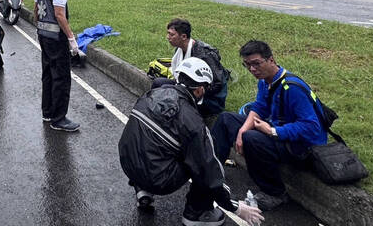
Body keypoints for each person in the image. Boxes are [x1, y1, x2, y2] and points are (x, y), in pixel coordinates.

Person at [119, 58, 263, 226]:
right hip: (158, 179)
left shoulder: (152, 94)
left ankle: (143, 190)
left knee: (152, 142)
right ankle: (196, 214)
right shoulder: (193, 122)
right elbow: (210, 171)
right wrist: (235, 207)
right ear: (200, 90)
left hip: (127, 164)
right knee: (201, 159)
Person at [211, 40, 328, 211]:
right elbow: (259, 106)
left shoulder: (292, 88)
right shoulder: (265, 81)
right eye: (247, 65)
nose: (252, 69)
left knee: (252, 138)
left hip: (303, 147)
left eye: (256, 64)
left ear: (271, 60)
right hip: (280, 131)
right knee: (226, 119)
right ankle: (211, 172)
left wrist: (272, 131)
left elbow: (312, 127)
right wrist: (242, 129)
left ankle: (275, 193)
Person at [33, 0, 79, 132]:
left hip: (43, 36)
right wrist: (71, 39)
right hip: (56, 38)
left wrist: (39, 26)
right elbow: (60, 15)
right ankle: (59, 119)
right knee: (61, 77)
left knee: (48, 74)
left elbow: (36, 10)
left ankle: (47, 112)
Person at [160, 18, 229, 122]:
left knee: (168, 90)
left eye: (171, 35)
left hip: (207, 98)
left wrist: (189, 90)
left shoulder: (204, 54)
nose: (168, 37)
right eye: (168, 33)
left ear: (183, 36)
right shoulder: (179, 49)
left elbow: (217, 84)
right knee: (158, 83)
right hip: (187, 86)